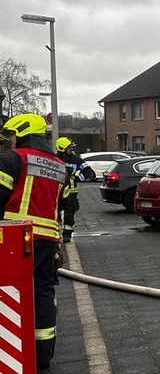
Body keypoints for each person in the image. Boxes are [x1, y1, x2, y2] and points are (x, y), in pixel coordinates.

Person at [0, 114, 68, 370]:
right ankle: (43, 355)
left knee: (7, 293)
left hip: (14, 240)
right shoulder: (60, 166)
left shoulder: (13, 159)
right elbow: (57, 205)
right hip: (48, 241)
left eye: (11, 135)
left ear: (23, 131)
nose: (10, 140)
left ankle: (8, 354)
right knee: (42, 293)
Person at [55, 137, 88, 243]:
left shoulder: (76, 160)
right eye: (69, 148)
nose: (71, 150)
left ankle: (67, 234)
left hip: (71, 193)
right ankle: (54, 233)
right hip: (56, 192)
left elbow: (89, 173)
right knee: (54, 213)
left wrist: (78, 178)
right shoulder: (53, 159)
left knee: (69, 214)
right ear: (62, 148)